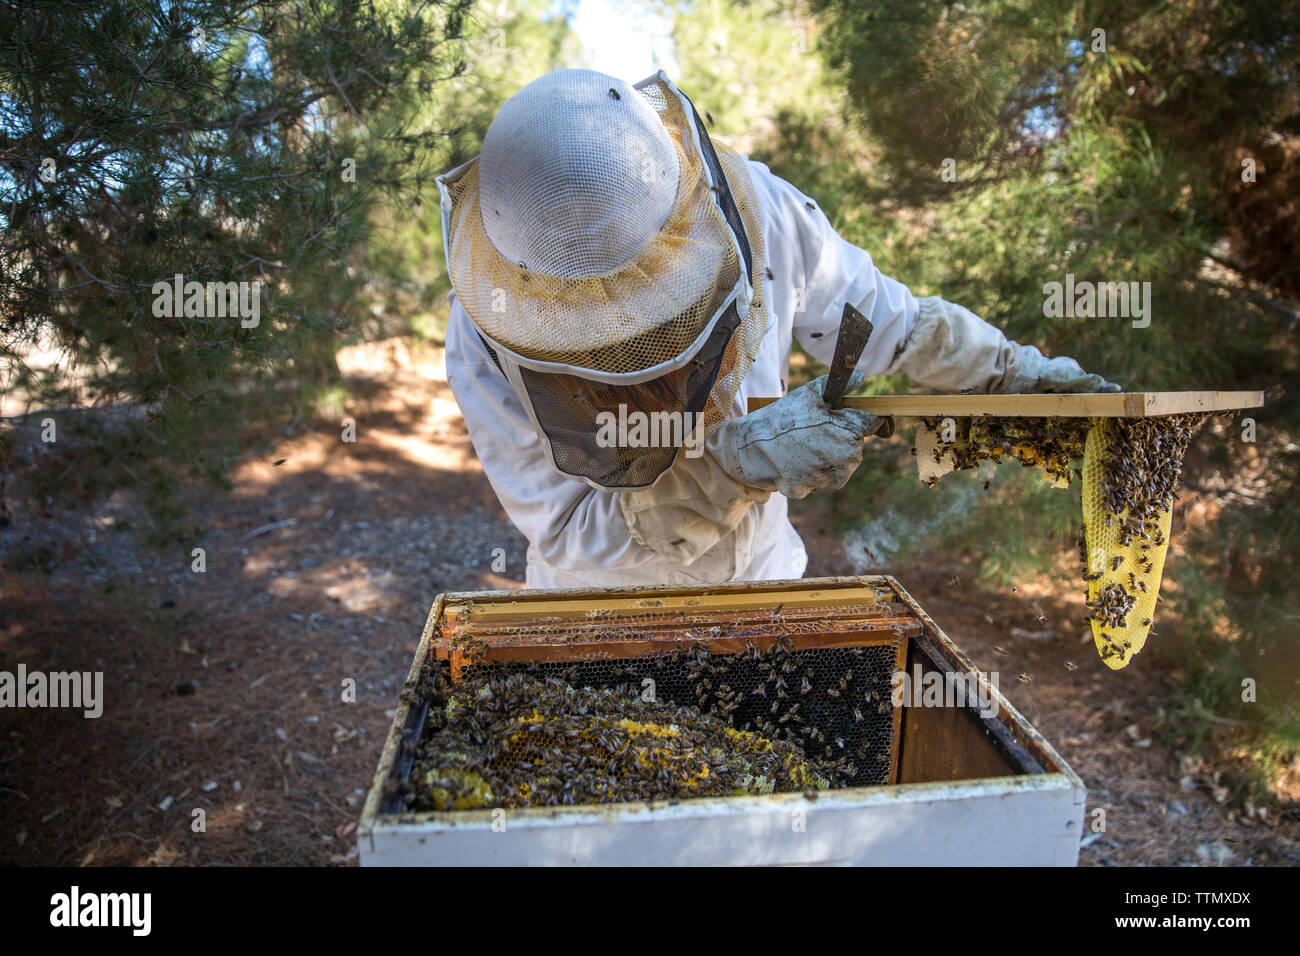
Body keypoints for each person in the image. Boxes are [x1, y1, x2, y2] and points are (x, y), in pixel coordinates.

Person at [438, 69, 1117, 589]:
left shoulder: (762, 208)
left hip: (765, 588)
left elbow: (892, 328)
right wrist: (735, 464)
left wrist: (1017, 376)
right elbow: (569, 533)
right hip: (593, 617)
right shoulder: (486, 332)